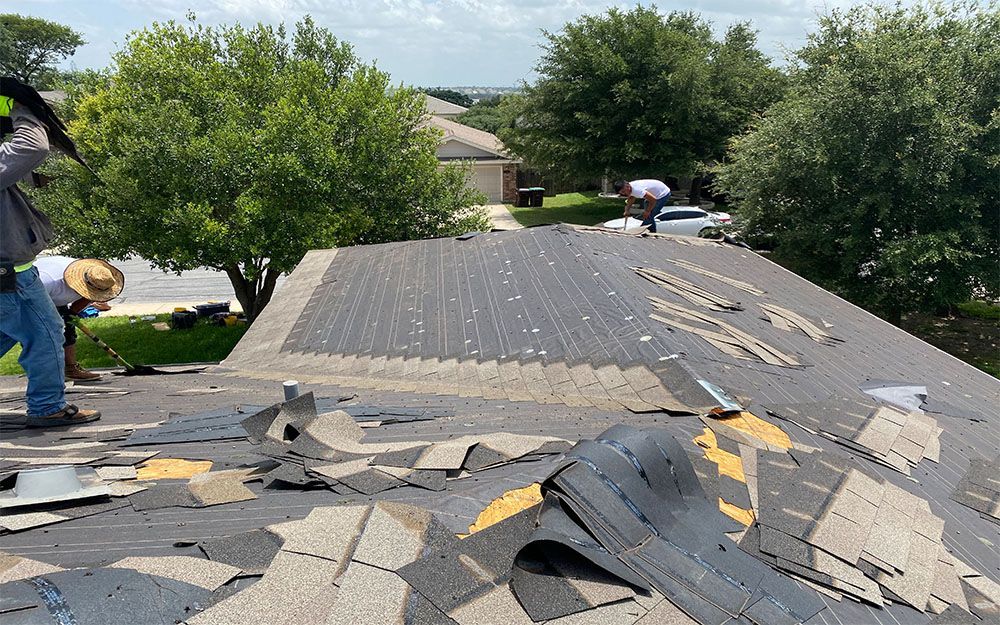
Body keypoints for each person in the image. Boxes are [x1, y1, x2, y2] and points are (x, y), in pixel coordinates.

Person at [1, 77, 101, 427]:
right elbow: (32, 147)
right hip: (11, 277)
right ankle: (47, 408)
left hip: (12, 277)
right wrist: (20, 107)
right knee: (46, 336)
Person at [35, 256, 125, 381]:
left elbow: (89, 297)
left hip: (53, 299)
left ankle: (70, 369)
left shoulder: (97, 278)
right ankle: (45, 376)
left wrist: (72, 313)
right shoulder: (49, 280)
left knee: (68, 330)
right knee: (38, 337)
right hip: (28, 298)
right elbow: (32, 304)